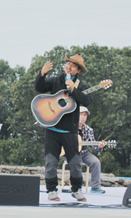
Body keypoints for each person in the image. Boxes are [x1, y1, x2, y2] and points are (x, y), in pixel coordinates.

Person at [35, 54, 92, 202]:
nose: (69, 66)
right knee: (51, 162)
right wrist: (42, 74)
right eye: (68, 63)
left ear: (78, 70)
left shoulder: (81, 86)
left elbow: (87, 100)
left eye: (73, 65)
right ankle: (51, 190)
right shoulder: (56, 80)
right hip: (52, 128)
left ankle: (77, 189)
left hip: (70, 131)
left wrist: (73, 90)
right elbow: (39, 88)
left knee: (75, 163)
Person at [75, 106, 106, 194]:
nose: (83, 117)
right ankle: (76, 187)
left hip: (84, 153)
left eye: (85, 115)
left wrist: (99, 146)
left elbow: (92, 145)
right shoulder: (70, 127)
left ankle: (95, 187)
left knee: (96, 162)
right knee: (76, 162)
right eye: (81, 114)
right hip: (70, 153)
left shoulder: (89, 130)